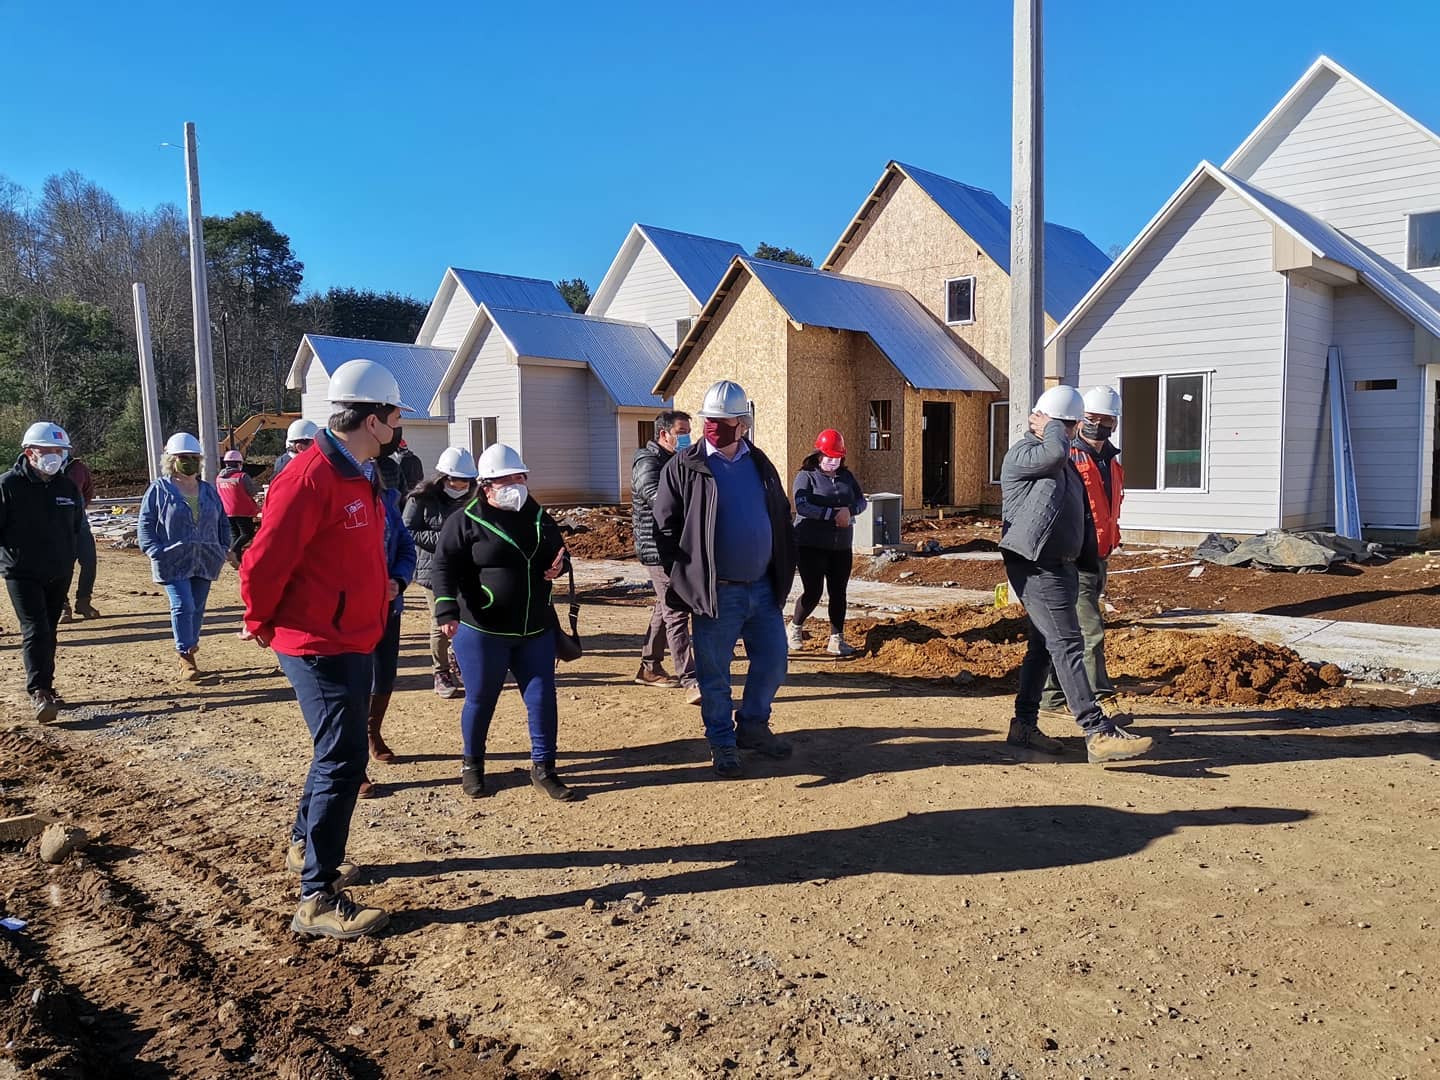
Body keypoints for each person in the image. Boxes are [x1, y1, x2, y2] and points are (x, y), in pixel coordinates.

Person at [240, 358, 403, 940]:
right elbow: (263, 559)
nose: (400, 425)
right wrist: (260, 621)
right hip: (317, 642)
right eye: (395, 414)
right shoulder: (309, 476)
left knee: (332, 749)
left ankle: (301, 848)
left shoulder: (361, 471)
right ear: (374, 419)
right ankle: (317, 896)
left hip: (352, 636)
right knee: (342, 759)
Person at [998, 386, 1151, 765]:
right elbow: (1053, 451)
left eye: (1070, 425)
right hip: (1036, 565)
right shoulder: (1026, 453)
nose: (1070, 431)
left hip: (1061, 564)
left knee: (1043, 648)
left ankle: (1024, 726)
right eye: (1068, 424)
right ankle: (1097, 732)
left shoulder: (1061, 458)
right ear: (1046, 421)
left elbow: (1078, 510)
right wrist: (1052, 426)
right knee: (1069, 643)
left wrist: (1085, 558)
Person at [653, 380, 796, 779]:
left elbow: (779, 514)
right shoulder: (686, 466)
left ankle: (752, 725)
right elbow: (662, 526)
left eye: (724, 421)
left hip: (763, 589)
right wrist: (684, 578)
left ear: (743, 423)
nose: (714, 427)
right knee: (714, 675)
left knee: (773, 663)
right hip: (716, 594)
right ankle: (722, 741)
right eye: (709, 421)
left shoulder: (760, 462)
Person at [431, 443, 573, 802]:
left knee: (543, 698)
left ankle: (544, 768)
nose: (519, 483)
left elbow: (558, 552)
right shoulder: (465, 520)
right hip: (483, 630)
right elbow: (444, 566)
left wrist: (560, 566)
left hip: (535, 627)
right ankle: (473, 766)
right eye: (510, 478)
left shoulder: (538, 514)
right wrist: (446, 611)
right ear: (488, 484)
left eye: (522, 476)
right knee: (481, 699)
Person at [1038, 385, 1124, 716]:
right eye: (1091, 418)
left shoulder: (1111, 463)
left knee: (1068, 632)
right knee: (1090, 630)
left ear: (1114, 424)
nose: (1097, 425)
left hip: (1098, 555)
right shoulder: (1069, 457)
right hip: (1073, 557)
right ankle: (1100, 698)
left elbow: (1109, 509)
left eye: (1104, 420)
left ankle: (1052, 697)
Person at [0, 422, 84, 723]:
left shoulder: (67, 487)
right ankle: (39, 691)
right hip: (22, 573)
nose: (55, 457)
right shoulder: (8, 485)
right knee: (35, 628)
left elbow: (77, 527)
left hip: (59, 571)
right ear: (29, 452)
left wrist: (79, 559)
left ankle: (46, 685)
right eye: (48, 451)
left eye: (60, 452)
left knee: (50, 631)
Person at [138, 433, 230, 683]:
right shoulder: (159, 490)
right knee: (183, 605)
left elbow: (222, 521)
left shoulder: (208, 491)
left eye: (193, 457)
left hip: (205, 558)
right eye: (182, 457)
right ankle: (185, 654)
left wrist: (223, 547)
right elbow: (146, 522)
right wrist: (153, 549)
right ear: (171, 460)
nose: (188, 461)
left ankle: (190, 649)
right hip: (172, 560)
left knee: (197, 609)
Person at [631, 409, 700, 702]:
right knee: (676, 611)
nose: (686, 438)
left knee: (664, 605)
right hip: (657, 548)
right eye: (681, 432)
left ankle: (649, 665)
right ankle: (690, 679)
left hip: (673, 546)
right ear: (663, 434)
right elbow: (659, 500)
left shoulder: (674, 460)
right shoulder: (648, 463)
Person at [358, 460, 417, 798]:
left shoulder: (387, 504)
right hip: (346, 614)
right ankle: (354, 766)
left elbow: (406, 548)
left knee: (385, 675)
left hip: (386, 607)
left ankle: (372, 731)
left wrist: (398, 579)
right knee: (353, 684)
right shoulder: (333, 507)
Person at [402, 446, 477, 699]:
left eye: (466, 480)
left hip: (468, 568)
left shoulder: (476, 496)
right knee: (441, 622)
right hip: (433, 569)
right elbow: (408, 530)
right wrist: (447, 539)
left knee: (467, 619)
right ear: (443, 477)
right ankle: (441, 671)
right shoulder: (421, 498)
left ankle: (462, 662)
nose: (461, 485)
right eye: (456, 480)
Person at [787, 428, 867, 658]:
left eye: (837, 458)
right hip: (811, 543)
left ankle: (836, 638)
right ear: (819, 454)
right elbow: (802, 506)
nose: (833, 462)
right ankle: (795, 627)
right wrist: (831, 514)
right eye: (829, 458)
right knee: (813, 591)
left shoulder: (846, 477)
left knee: (838, 592)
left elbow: (861, 501)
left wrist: (849, 511)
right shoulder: (806, 476)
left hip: (840, 546)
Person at [59, 450, 100, 621]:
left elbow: (87, 492)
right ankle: (62, 605)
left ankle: (83, 601)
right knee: (61, 567)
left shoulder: (78, 468)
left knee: (89, 561)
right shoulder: (45, 471)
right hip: (56, 526)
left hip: (80, 523)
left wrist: (78, 512)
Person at [217, 449, 262, 565]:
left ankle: (237, 559)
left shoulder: (219, 478)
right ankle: (232, 552)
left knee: (235, 534)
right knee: (248, 533)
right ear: (239, 463)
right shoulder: (242, 476)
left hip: (227, 511)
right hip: (243, 511)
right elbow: (252, 492)